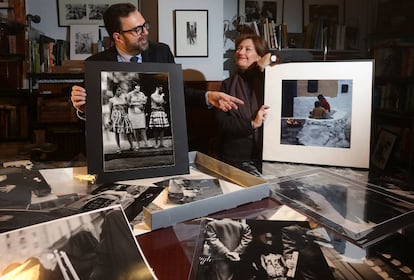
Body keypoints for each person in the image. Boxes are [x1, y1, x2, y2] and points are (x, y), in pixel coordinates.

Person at [70, 3, 243, 120]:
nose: (145, 32)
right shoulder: (95, 64)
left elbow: (179, 93)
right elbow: (89, 116)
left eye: (145, 25)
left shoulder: (162, 52)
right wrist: (82, 109)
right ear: (117, 37)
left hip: (157, 133)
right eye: (137, 29)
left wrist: (208, 96)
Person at [215, 33, 276, 176]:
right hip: (234, 156)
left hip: (268, 155)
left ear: (260, 56)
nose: (240, 52)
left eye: (248, 49)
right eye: (239, 48)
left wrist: (272, 57)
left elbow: (303, 56)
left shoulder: (270, 82)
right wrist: (252, 124)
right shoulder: (227, 85)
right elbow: (222, 122)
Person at [107, 83, 136, 153]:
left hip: (124, 115)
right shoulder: (112, 100)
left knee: (128, 130)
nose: (120, 92)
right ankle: (118, 147)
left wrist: (127, 101)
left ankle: (132, 146)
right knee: (117, 132)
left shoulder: (123, 98)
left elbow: (129, 106)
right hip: (116, 117)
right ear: (115, 91)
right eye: (118, 90)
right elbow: (110, 110)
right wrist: (109, 119)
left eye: (120, 90)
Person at [126, 83, 151, 148]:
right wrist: (134, 104)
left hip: (140, 112)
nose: (138, 89)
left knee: (142, 127)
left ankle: (146, 143)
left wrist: (143, 105)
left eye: (139, 88)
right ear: (133, 88)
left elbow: (144, 102)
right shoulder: (129, 94)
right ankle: (137, 143)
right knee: (135, 128)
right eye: (137, 88)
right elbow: (127, 104)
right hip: (133, 112)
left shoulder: (142, 94)